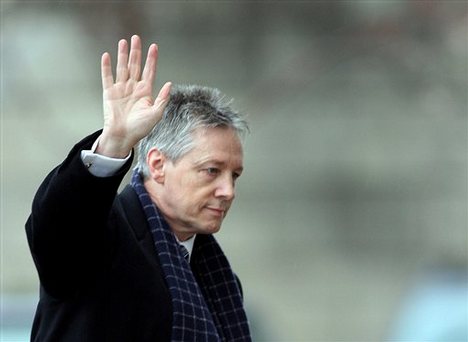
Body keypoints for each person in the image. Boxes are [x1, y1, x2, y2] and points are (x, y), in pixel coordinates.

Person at [25, 35, 252, 342]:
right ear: (157, 165)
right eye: (211, 171)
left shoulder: (218, 279)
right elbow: (58, 226)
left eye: (234, 175)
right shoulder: (101, 236)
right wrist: (114, 143)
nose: (227, 190)